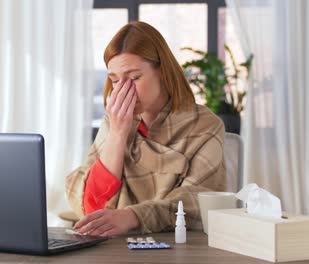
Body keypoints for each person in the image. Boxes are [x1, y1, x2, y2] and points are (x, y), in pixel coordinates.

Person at [65, 21, 226, 236]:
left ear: (162, 71)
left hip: (178, 245)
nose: (123, 90)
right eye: (114, 81)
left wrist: (134, 216)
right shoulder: (112, 122)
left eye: (134, 78)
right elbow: (91, 204)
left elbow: (198, 199)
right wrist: (118, 134)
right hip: (114, 245)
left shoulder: (206, 126)